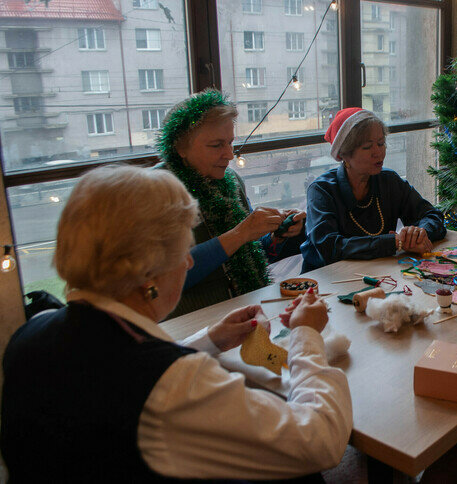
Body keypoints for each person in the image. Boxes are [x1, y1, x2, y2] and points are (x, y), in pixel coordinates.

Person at [0, 165, 352, 482]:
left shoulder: (31, 333)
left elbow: (114, 371)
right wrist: (306, 335)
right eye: (183, 250)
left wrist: (210, 340)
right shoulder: (169, 384)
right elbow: (320, 441)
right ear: (148, 272)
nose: (187, 263)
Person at [157, 89, 306, 316]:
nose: (229, 154)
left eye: (230, 142)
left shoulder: (230, 181)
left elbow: (248, 254)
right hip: (194, 323)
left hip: (246, 309)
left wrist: (277, 235)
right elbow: (165, 278)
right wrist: (241, 233)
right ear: (180, 148)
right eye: (216, 145)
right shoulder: (155, 191)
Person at [301, 108, 446, 271]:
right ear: (345, 154)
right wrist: (394, 243)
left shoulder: (389, 180)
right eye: (367, 147)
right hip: (325, 281)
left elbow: (432, 216)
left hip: (378, 273)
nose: (378, 152)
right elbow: (329, 247)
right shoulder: (321, 190)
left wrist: (419, 234)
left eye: (381, 143)